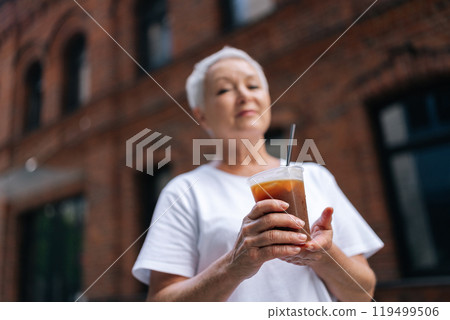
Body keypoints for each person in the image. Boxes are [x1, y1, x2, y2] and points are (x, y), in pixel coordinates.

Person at [132, 46, 383, 301]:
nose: (244, 95)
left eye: (253, 86)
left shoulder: (315, 177)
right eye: (224, 89)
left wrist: (325, 256)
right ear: (202, 115)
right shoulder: (184, 192)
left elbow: (363, 294)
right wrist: (234, 266)